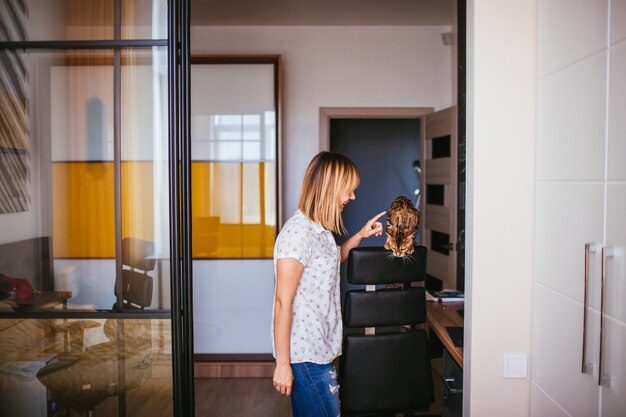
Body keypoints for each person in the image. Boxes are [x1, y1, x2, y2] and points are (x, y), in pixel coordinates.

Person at [271, 151, 385, 417]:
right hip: (306, 356)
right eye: (349, 190)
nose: (352, 197)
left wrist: (360, 235)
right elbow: (281, 303)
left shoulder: (319, 231)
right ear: (330, 187)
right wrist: (283, 364)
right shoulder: (297, 234)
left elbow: (332, 261)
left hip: (322, 348)